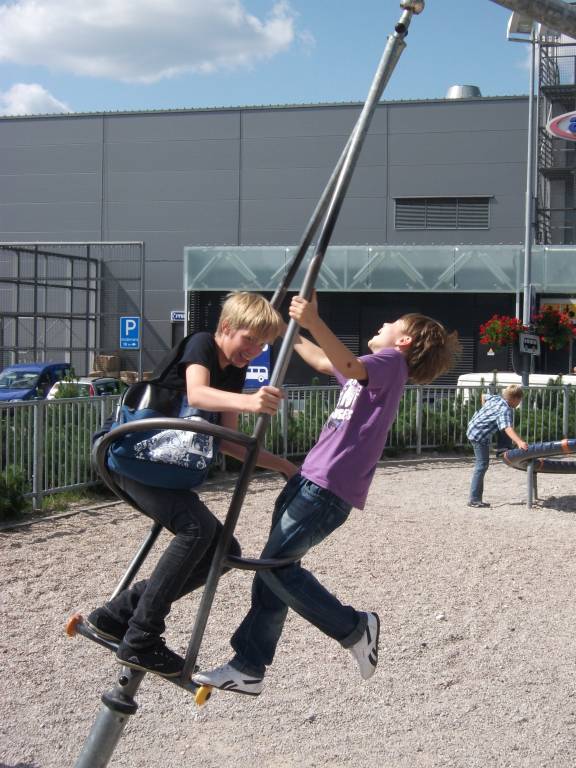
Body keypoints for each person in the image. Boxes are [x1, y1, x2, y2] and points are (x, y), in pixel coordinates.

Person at [192, 293, 460, 695]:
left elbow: (347, 364)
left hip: (326, 488)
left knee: (274, 568)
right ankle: (249, 666)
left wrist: (314, 320)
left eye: (391, 324)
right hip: (311, 481)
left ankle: (354, 627)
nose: (382, 325)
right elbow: (324, 361)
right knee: (271, 573)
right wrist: (289, 332)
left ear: (403, 342)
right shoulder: (373, 373)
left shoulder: (391, 364)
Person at [86, 292, 298, 678]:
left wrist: (284, 466)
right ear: (226, 327)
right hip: (132, 456)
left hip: (160, 466)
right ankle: (141, 638)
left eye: (262, 345)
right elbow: (197, 393)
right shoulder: (201, 343)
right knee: (196, 528)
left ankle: (116, 616)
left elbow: (231, 442)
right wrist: (250, 402)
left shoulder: (234, 373)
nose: (253, 350)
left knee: (224, 549)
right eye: (249, 339)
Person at [466, 384, 528, 509]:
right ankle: (474, 499)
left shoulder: (496, 398)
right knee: (482, 465)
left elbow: (483, 396)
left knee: (502, 425)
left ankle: (503, 448)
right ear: (514, 398)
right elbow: (507, 428)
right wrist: (520, 442)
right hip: (479, 436)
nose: (519, 404)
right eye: (519, 401)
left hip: (473, 427)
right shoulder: (504, 410)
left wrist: (485, 412)